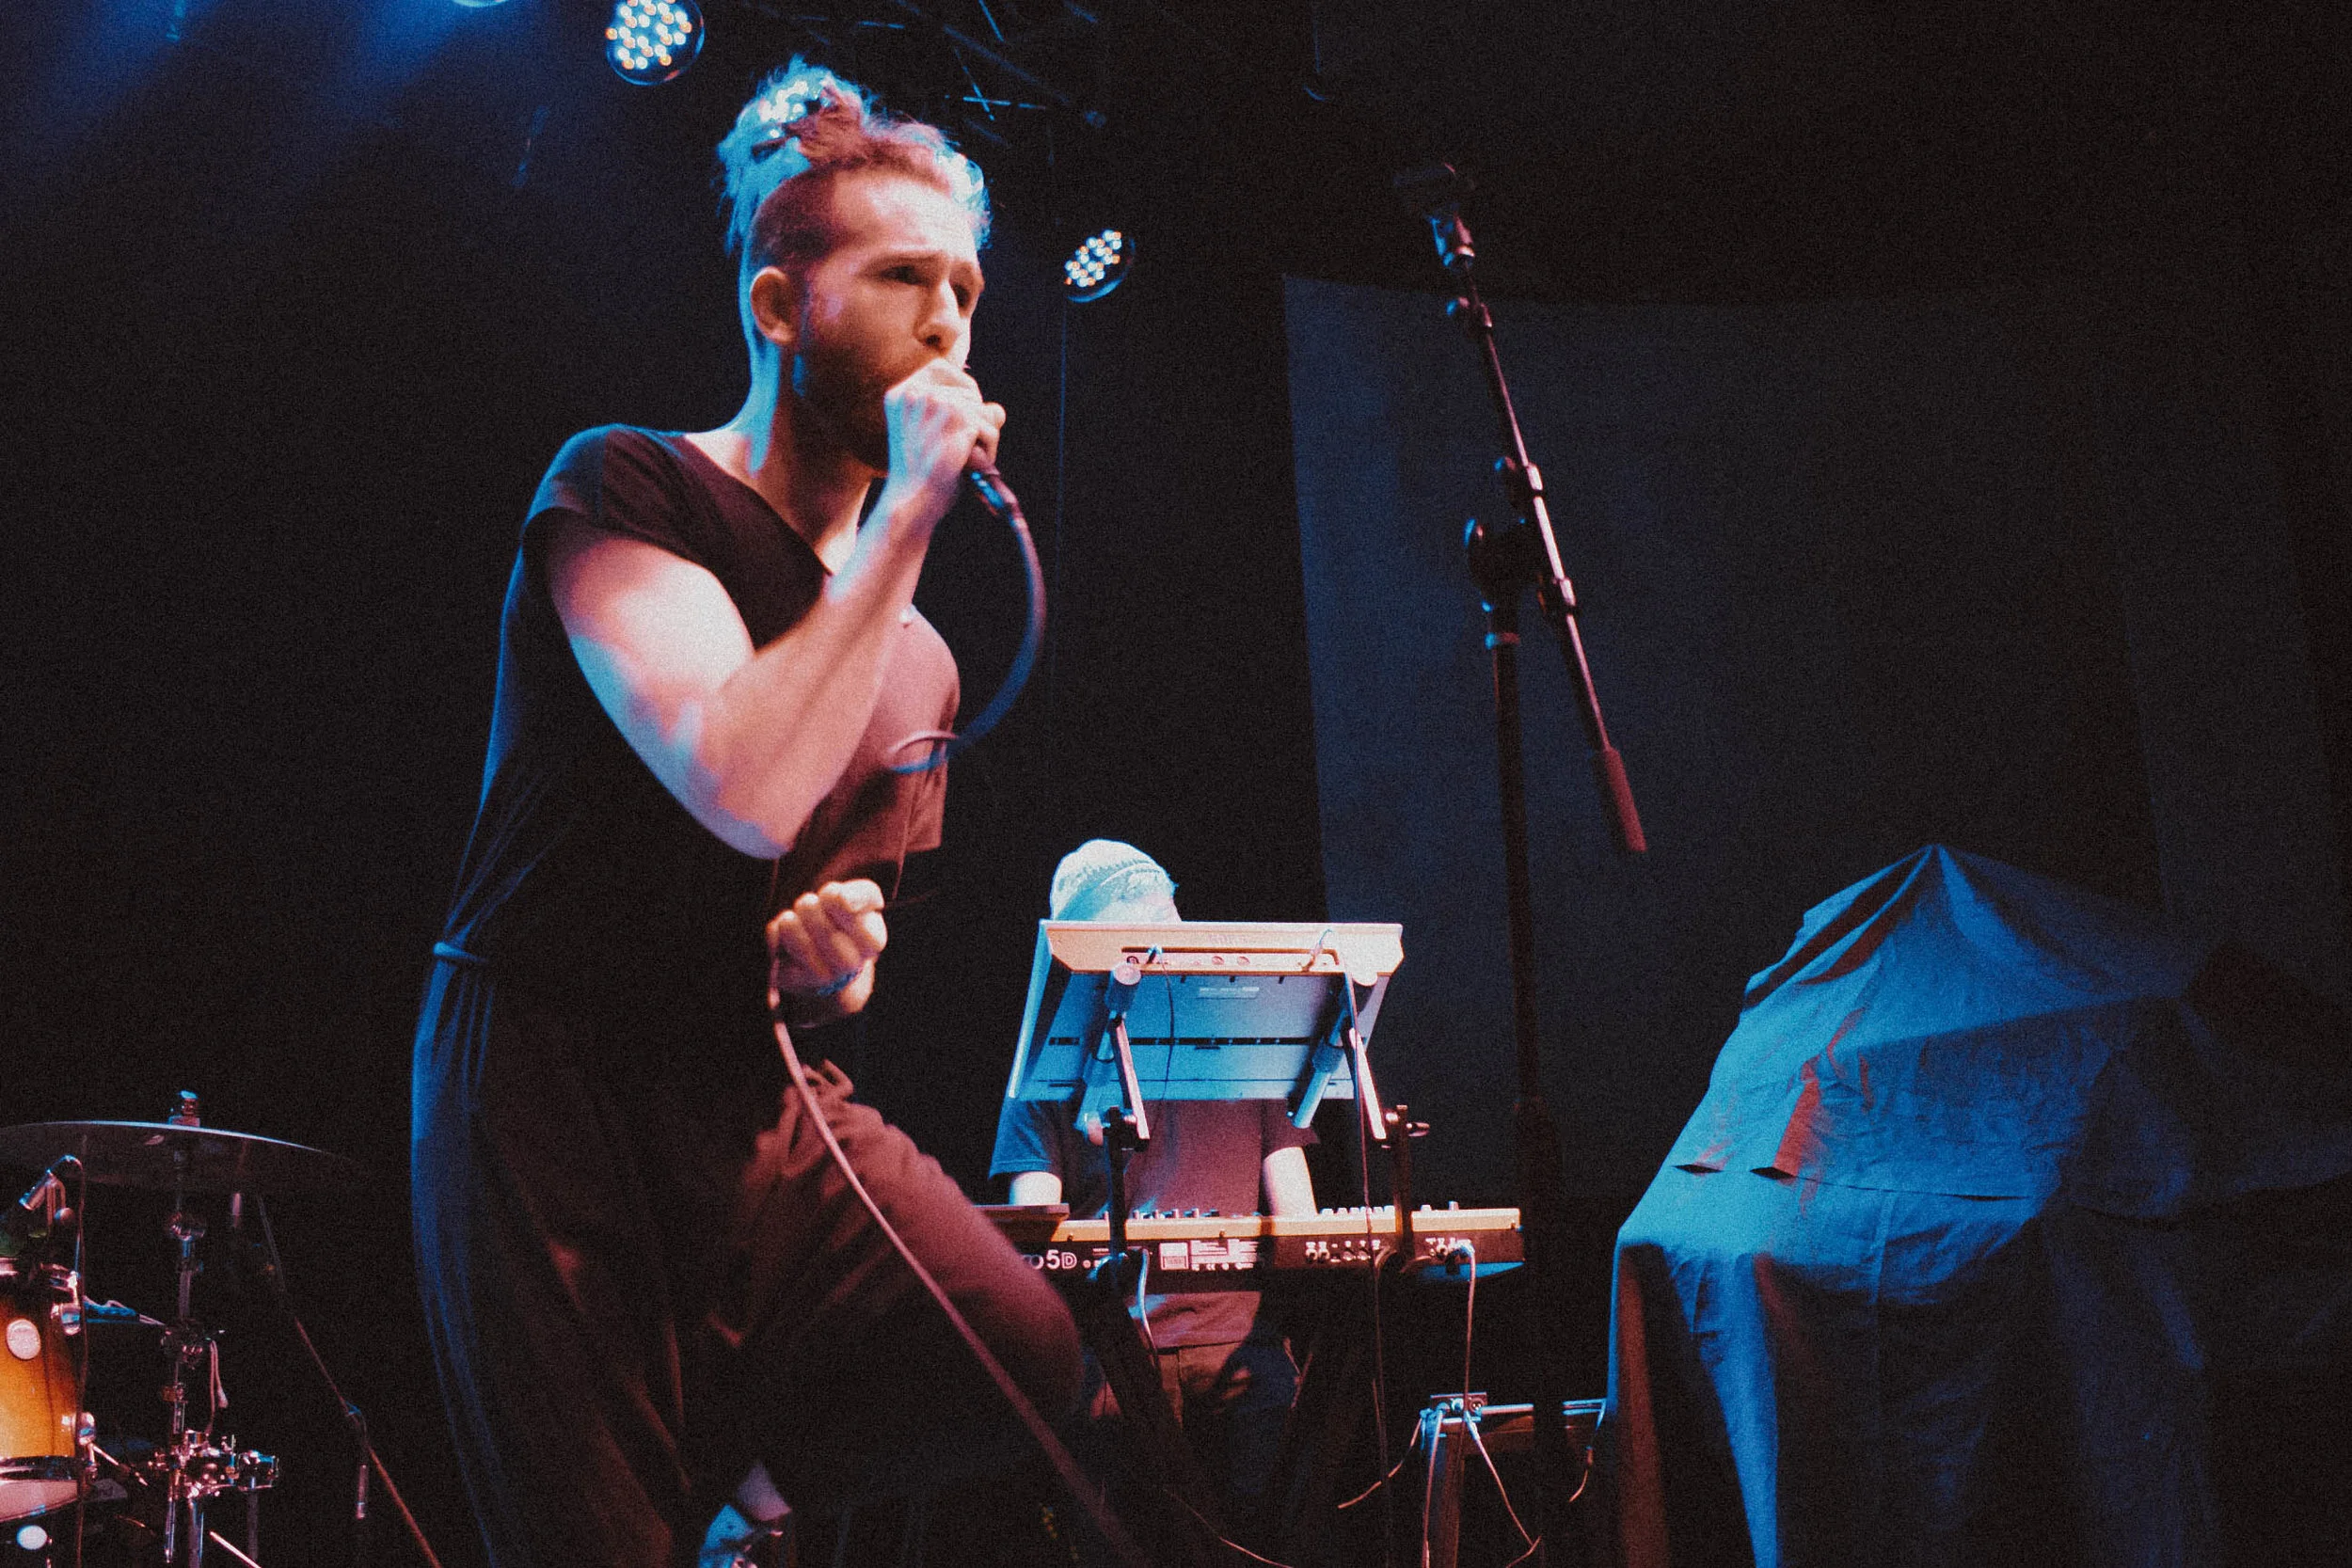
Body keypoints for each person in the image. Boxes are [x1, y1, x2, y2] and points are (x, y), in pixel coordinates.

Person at [410, 63, 1081, 1568]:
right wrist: (909, 514)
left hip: (757, 1105)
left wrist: (835, 969)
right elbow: (740, 778)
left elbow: (833, 939)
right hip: (551, 1084)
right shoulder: (628, 487)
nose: (949, 322)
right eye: (903, 278)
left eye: (967, 289)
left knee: (1029, 1358)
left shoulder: (918, 654)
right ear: (780, 306)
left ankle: (740, 1493)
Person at [990, 841, 1318, 1527]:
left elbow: (1304, 1228)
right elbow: (1040, 1243)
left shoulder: (1250, 1050)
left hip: (1200, 1359)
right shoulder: (1053, 1072)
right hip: (1143, 1363)